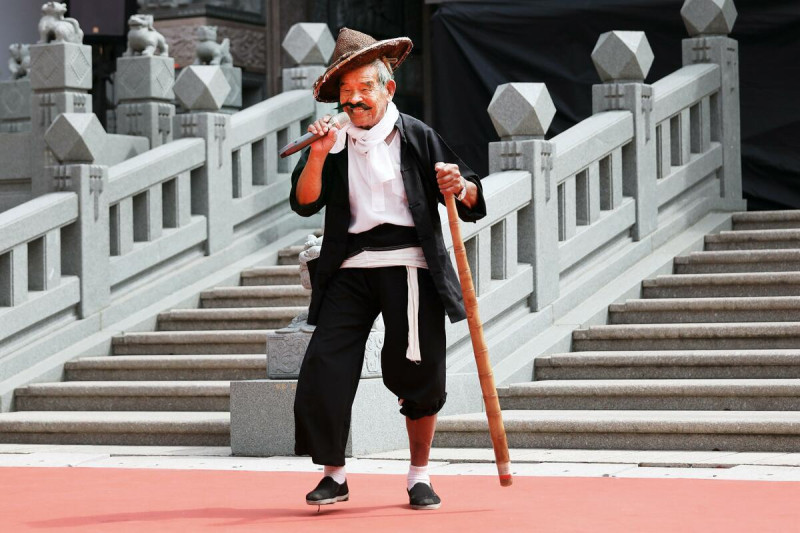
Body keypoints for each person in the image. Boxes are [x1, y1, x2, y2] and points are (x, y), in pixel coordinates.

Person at [290, 27, 486, 511]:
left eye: (364, 89)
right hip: (349, 266)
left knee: (418, 373)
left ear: (387, 88)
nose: (354, 100)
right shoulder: (332, 141)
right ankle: (333, 475)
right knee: (325, 367)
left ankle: (419, 474)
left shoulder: (416, 135)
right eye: (346, 92)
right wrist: (317, 156)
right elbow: (303, 202)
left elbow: (473, 198)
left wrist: (458, 185)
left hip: (409, 263)